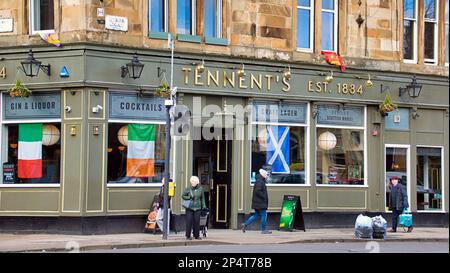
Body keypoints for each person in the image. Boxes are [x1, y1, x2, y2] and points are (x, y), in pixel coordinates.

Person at [241, 168, 272, 234]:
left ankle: (245, 224)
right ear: (263, 175)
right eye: (266, 175)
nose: (267, 176)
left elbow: (257, 191)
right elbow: (258, 191)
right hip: (260, 202)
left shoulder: (259, 181)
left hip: (257, 202)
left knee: (256, 215)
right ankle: (264, 230)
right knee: (264, 215)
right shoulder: (260, 182)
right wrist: (264, 196)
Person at [182, 176, 206, 240]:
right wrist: (189, 197)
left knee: (197, 222)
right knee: (189, 222)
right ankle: (188, 236)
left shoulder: (200, 189)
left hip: (197, 207)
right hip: (189, 208)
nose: (192, 183)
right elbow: (183, 196)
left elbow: (202, 198)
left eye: (194, 182)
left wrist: (204, 206)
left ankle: (196, 235)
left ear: (197, 182)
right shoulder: (188, 188)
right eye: (192, 182)